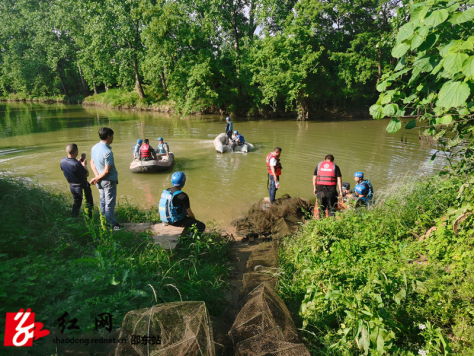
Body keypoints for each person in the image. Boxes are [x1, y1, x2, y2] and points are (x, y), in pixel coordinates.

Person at [89, 127, 124, 231]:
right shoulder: (108, 152)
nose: (113, 138)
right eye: (112, 136)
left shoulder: (94, 147)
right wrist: (97, 178)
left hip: (99, 180)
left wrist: (96, 177)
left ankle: (103, 223)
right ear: (108, 136)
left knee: (102, 202)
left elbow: (92, 163)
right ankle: (112, 226)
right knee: (109, 204)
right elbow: (107, 170)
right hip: (108, 181)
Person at [60, 143, 94, 219]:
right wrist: (84, 165)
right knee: (89, 203)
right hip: (82, 186)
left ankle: (73, 218)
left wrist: (78, 164)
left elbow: (67, 169)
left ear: (67, 151)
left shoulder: (63, 161)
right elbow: (87, 174)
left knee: (77, 203)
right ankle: (90, 219)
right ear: (77, 151)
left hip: (72, 186)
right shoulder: (76, 164)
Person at [313, 154, 343, 218]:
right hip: (331, 191)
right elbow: (339, 180)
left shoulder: (319, 166)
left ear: (324, 160)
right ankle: (330, 224)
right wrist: (340, 192)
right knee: (332, 209)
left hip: (320, 190)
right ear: (333, 161)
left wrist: (314, 188)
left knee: (321, 210)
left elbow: (314, 178)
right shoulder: (335, 166)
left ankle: (321, 225)